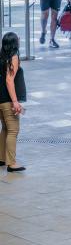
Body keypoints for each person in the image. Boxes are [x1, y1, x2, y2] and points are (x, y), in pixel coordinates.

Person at [0, 33, 26, 172]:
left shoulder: (2, 56)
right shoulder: (13, 57)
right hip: (7, 100)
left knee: (5, 128)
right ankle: (11, 163)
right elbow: (9, 80)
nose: (20, 40)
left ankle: (2, 158)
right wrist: (15, 101)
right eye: (18, 39)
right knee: (13, 130)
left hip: (0, 99)